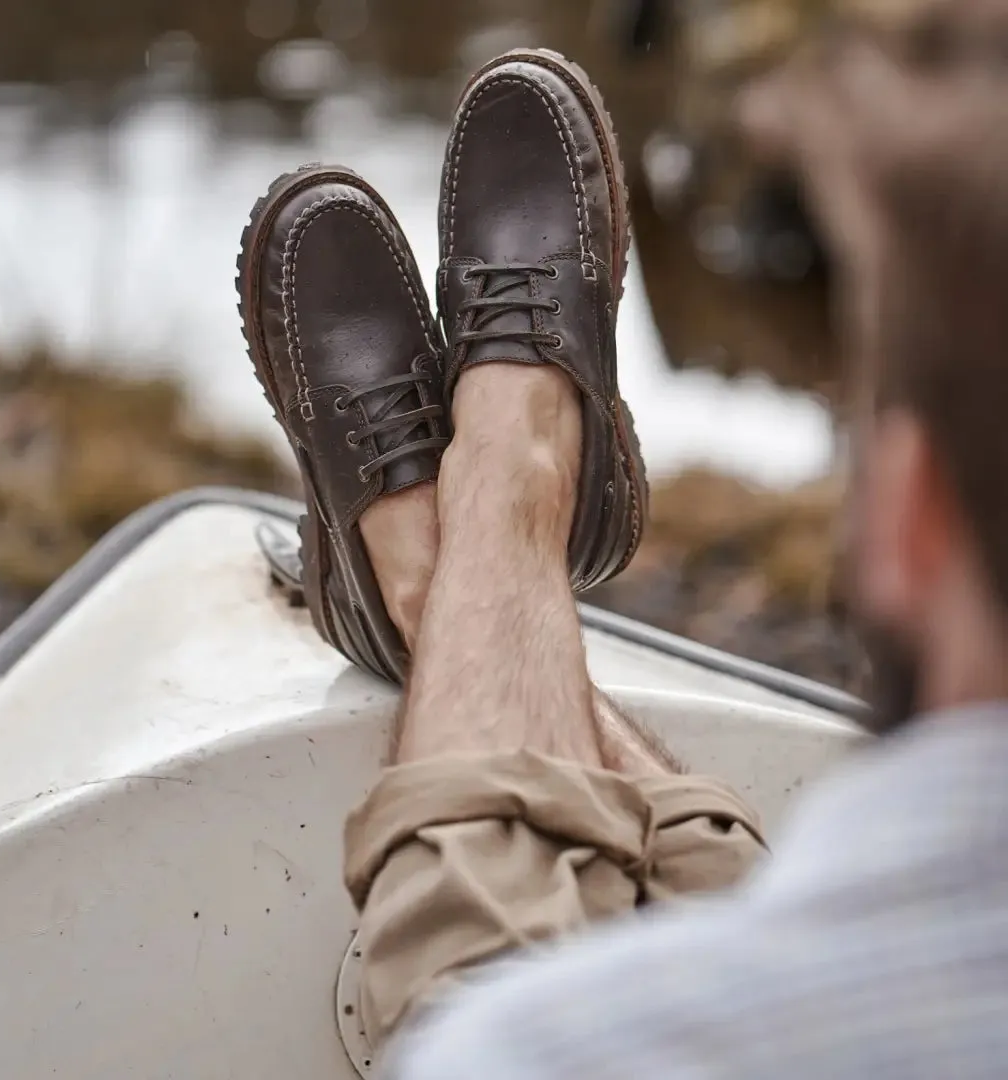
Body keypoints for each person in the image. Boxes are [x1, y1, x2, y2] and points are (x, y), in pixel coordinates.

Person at [236, 6, 1008, 1075]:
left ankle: (480, 537)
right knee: (724, 897)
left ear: (908, 520)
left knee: (474, 972)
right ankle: (495, 518)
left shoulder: (535, 1054)